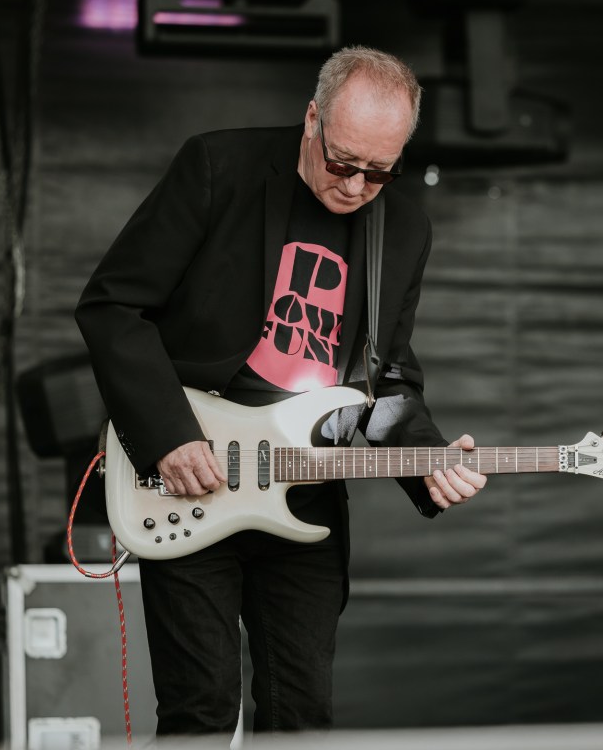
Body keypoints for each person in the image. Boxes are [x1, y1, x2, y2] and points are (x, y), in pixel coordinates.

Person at [75, 46, 487, 738]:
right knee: (201, 712)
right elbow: (113, 306)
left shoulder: (404, 229)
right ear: (312, 119)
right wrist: (169, 435)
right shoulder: (220, 168)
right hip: (195, 476)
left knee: (303, 716)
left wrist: (428, 459)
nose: (356, 186)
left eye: (379, 171)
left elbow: (386, 376)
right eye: (343, 162)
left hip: (307, 493)